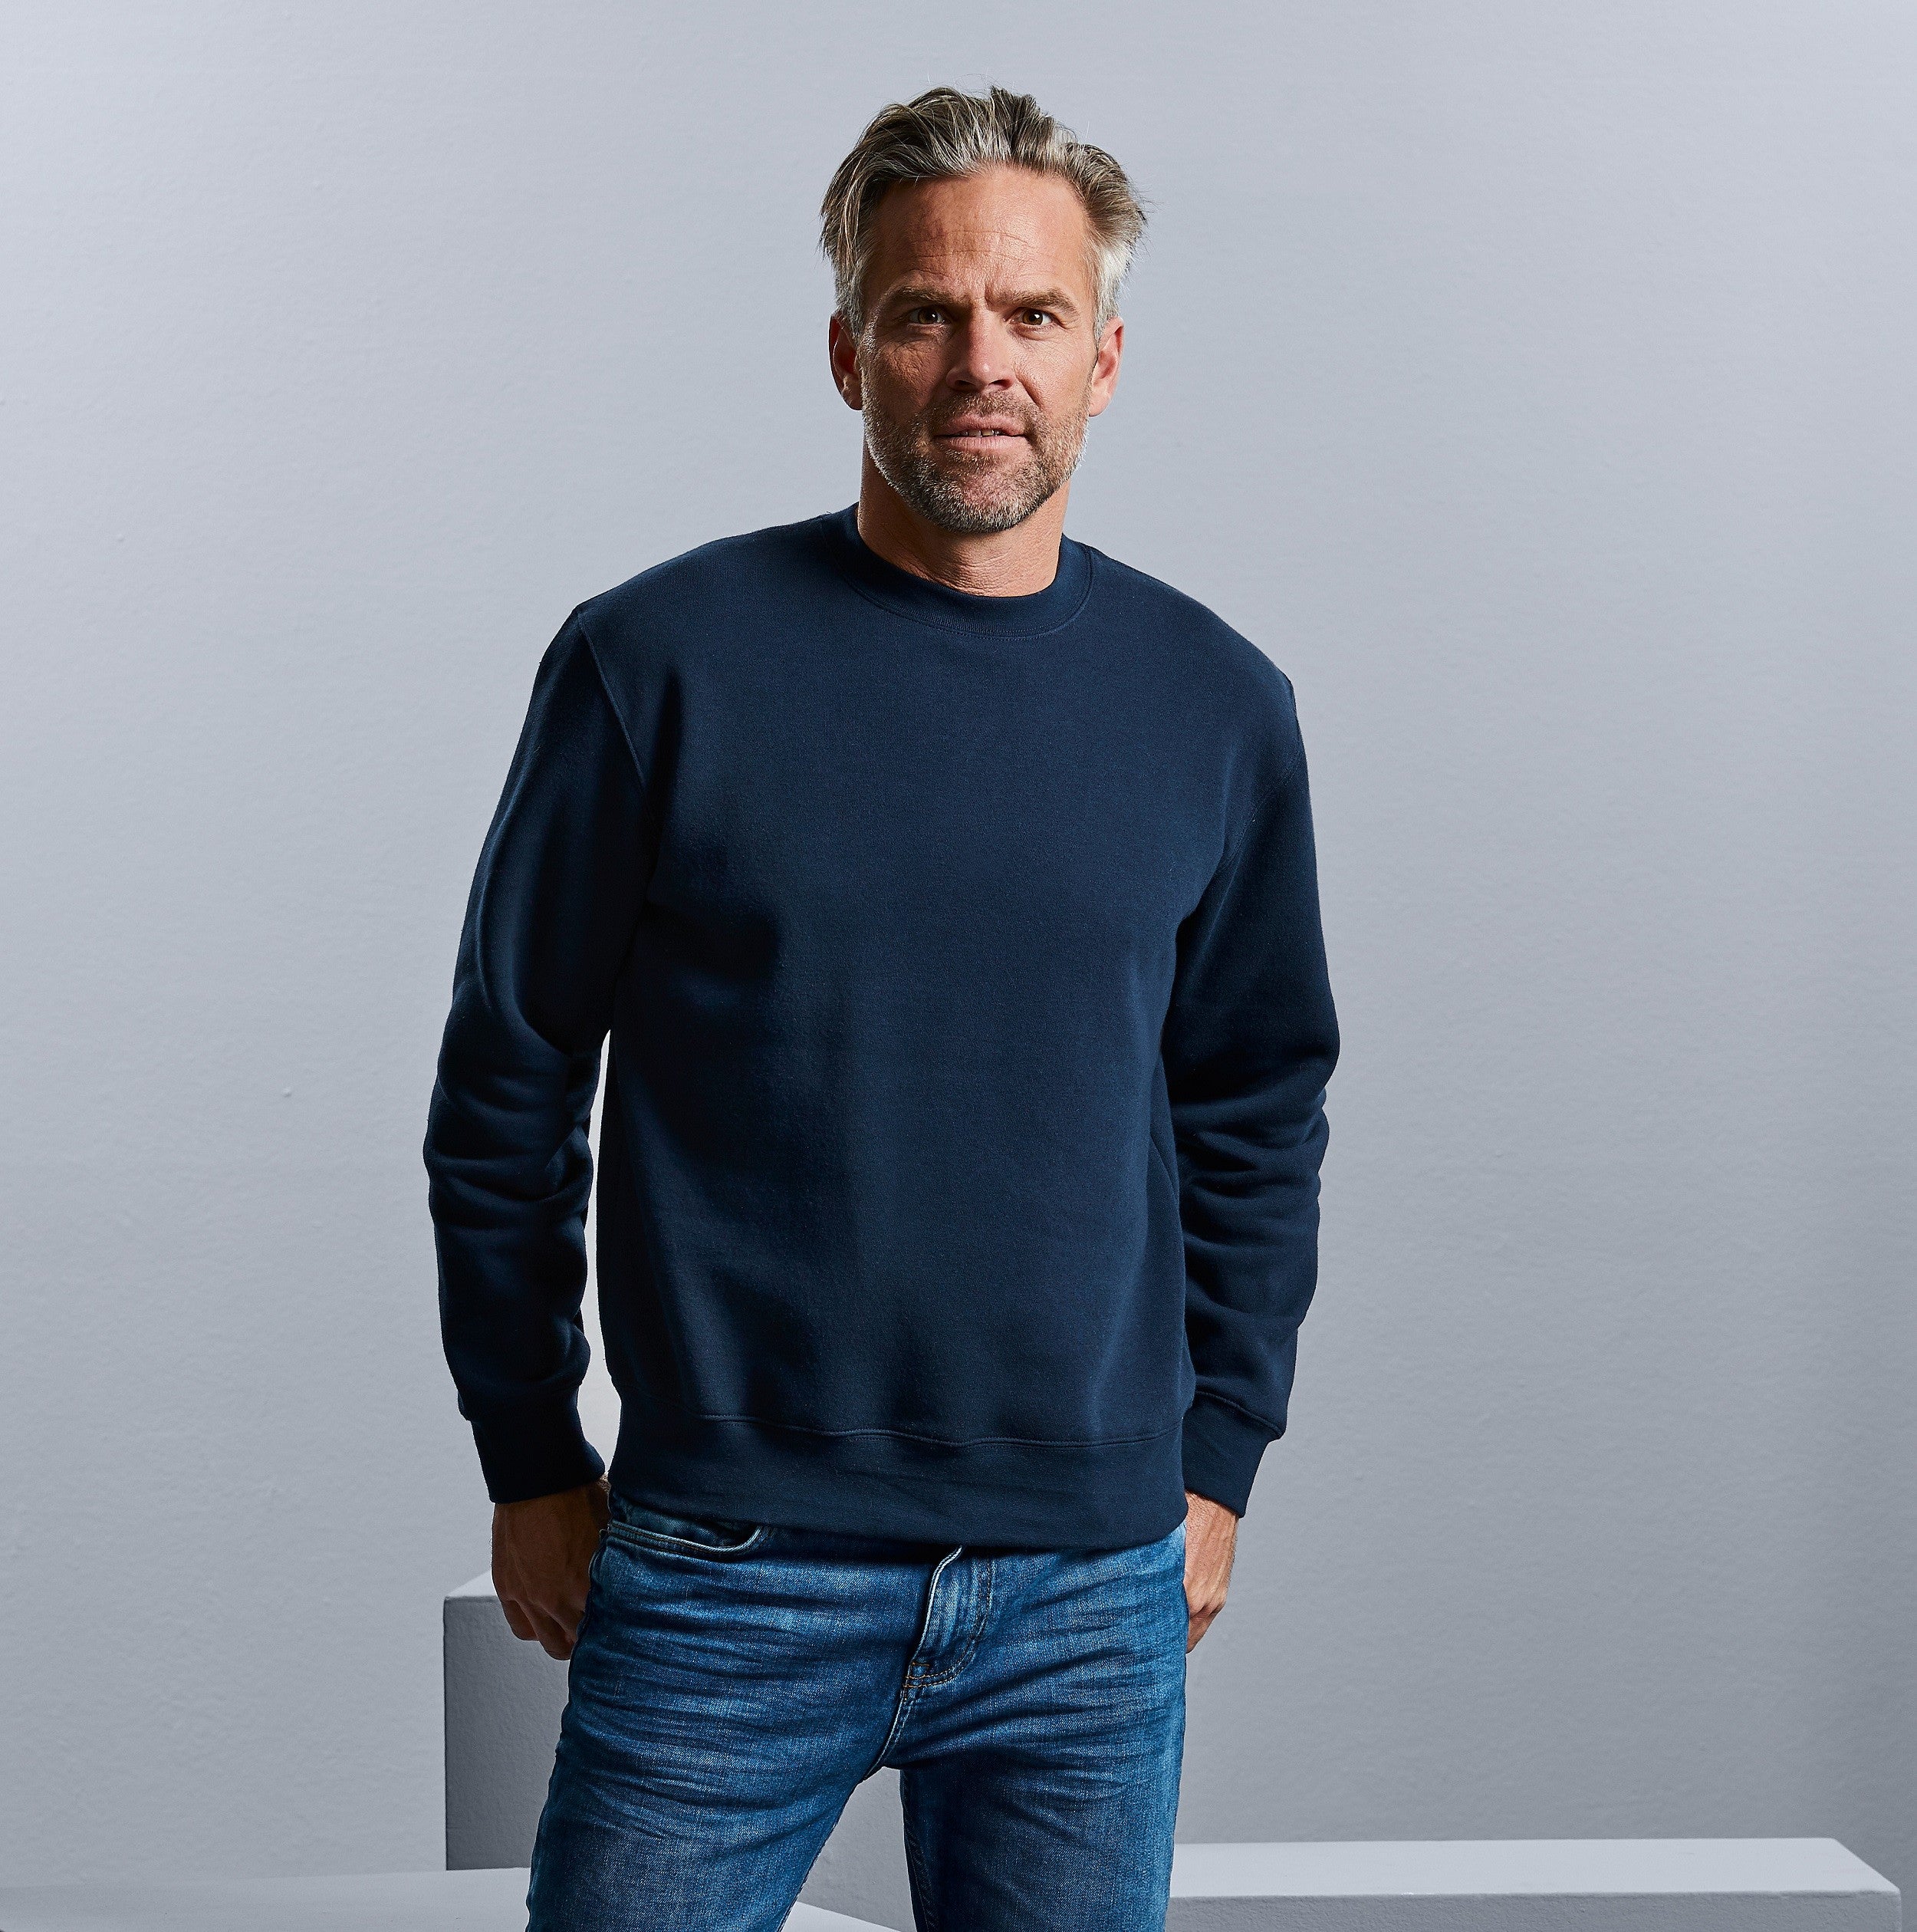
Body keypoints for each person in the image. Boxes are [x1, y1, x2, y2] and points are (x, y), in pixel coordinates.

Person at [424, 83, 1339, 1932]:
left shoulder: (1216, 706)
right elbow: (508, 1083)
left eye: (1032, 315)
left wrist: (1217, 1453)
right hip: (727, 1563)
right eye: (927, 313)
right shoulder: (653, 665)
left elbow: (1253, 1100)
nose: (981, 363)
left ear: (1101, 361)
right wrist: (528, 1452)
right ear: (848, 352)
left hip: (1088, 1587)